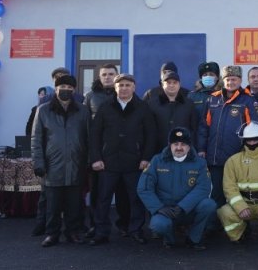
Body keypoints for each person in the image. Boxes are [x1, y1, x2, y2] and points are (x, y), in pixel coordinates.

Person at [89, 73, 156, 246]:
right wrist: (96, 158)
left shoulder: (143, 108)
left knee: (135, 199)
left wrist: (146, 158)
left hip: (134, 162)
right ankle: (101, 232)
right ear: (115, 88)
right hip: (107, 162)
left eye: (127, 85)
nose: (124, 88)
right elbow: (95, 134)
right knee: (103, 199)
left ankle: (136, 230)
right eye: (121, 85)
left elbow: (151, 135)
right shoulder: (105, 107)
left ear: (134, 87)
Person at [31, 74, 90, 247]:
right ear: (56, 89)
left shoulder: (83, 110)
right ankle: (52, 234)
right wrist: (39, 163)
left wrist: (88, 161)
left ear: (74, 90)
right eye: (62, 87)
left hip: (76, 165)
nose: (66, 90)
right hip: (52, 166)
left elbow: (89, 138)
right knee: (53, 205)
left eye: (69, 87)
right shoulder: (43, 110)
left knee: (75, 204)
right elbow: (36, 139)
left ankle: (73, 232)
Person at [137, 127, 216, 250]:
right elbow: (144, 188)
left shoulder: (199, 163)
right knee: (158, 224)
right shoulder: (157, 161)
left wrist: (182, 207)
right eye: (175, 144)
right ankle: (169, 239)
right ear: (169, 145)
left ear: (189, 146)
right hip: (166, 210)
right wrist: (159, 208)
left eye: (183, 144)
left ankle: (193, 238)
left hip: (188, 210)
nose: (179, 148)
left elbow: (203, 188)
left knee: (208, 205)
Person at [197, 65, 258, 208]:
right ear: (223, 81)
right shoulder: (212, 100)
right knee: (216, 194)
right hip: (214, 159)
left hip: (238, 159)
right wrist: (201, 149)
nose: (231, 82)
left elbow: (254, 129)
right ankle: (214, 227)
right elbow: (203, 128)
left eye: (234, 79)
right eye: (228, 79)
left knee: (238, 194)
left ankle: (241, 229)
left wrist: (249, 153)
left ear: (240, 80)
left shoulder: (247, 100)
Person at [217, 121, 258, 244]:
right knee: (225, 212)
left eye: (255, 140)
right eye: (249, 140)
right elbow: (229, 188)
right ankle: (240, 233)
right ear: (243, 140)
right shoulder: (233, 161)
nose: (252, 143)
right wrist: (240, 207)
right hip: (243, 204)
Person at [83, 63, 124, 239]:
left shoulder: (124, 94)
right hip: (98, 153)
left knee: (123, 193)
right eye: (104, 74)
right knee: (98, 194)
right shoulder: (90, 97)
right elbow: (85, 127)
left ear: (117, 75)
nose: (107, 77)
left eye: (110, 74)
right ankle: (96, 226)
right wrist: (92, 155)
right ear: (99, 77)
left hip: (121, 154)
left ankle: (124, 225)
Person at [147, 71, 197, 151]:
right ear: (163, 85)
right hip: (159, 152)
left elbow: (194, 129)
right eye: (168, 83)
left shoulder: (189, 104)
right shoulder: (152, 105)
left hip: (183, 152)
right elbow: (148, 131)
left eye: (175, 82)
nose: (172, 85)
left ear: (179, 85)